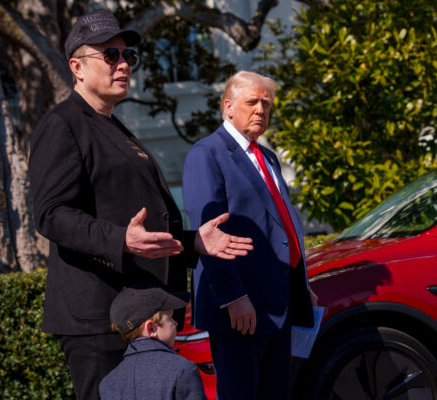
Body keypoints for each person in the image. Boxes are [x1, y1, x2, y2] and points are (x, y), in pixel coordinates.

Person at [28, 9, 252, 400]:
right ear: (76, 67)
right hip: (100, 319)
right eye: (110, 55)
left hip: (136, 315)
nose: (123, 64)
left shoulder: (113, 126)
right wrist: (121, 240)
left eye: (128, 55)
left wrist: (192, 242)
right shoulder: (62, 124)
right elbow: (51, 215)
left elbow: (142, 229)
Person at [182, 70, 317, 400]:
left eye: (266, 104)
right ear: (228, 107)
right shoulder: (207, 153)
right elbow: (210, 235)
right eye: (252, 102)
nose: (261, 110)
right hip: (241, 309)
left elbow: (280, 226)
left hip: (277, 303)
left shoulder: (267, 156)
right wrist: (233, 298)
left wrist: (301, 285)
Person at [99, 285, 206, 400]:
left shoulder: (108, 383)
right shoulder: (182, 369)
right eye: (170, 318)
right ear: (151, 328)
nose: (176, 323)